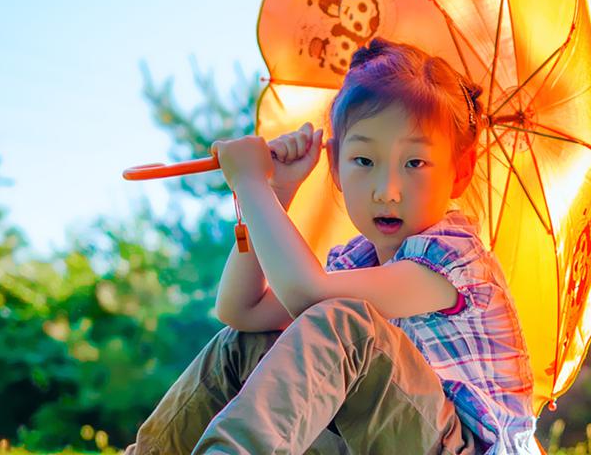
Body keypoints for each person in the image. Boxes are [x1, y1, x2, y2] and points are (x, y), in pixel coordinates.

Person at [125, 38, 542, 455]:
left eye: (415, 163)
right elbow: (241, 310)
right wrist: (278, 189)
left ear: (460, 172)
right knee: (244, 347)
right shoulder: (353, 262)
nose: (388, 191)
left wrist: (249, 185)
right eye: (364, 161)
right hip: (378, 438)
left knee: (345, 324)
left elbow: (308, 295)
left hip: (461, 449)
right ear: (336, 165)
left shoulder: (453, 260)